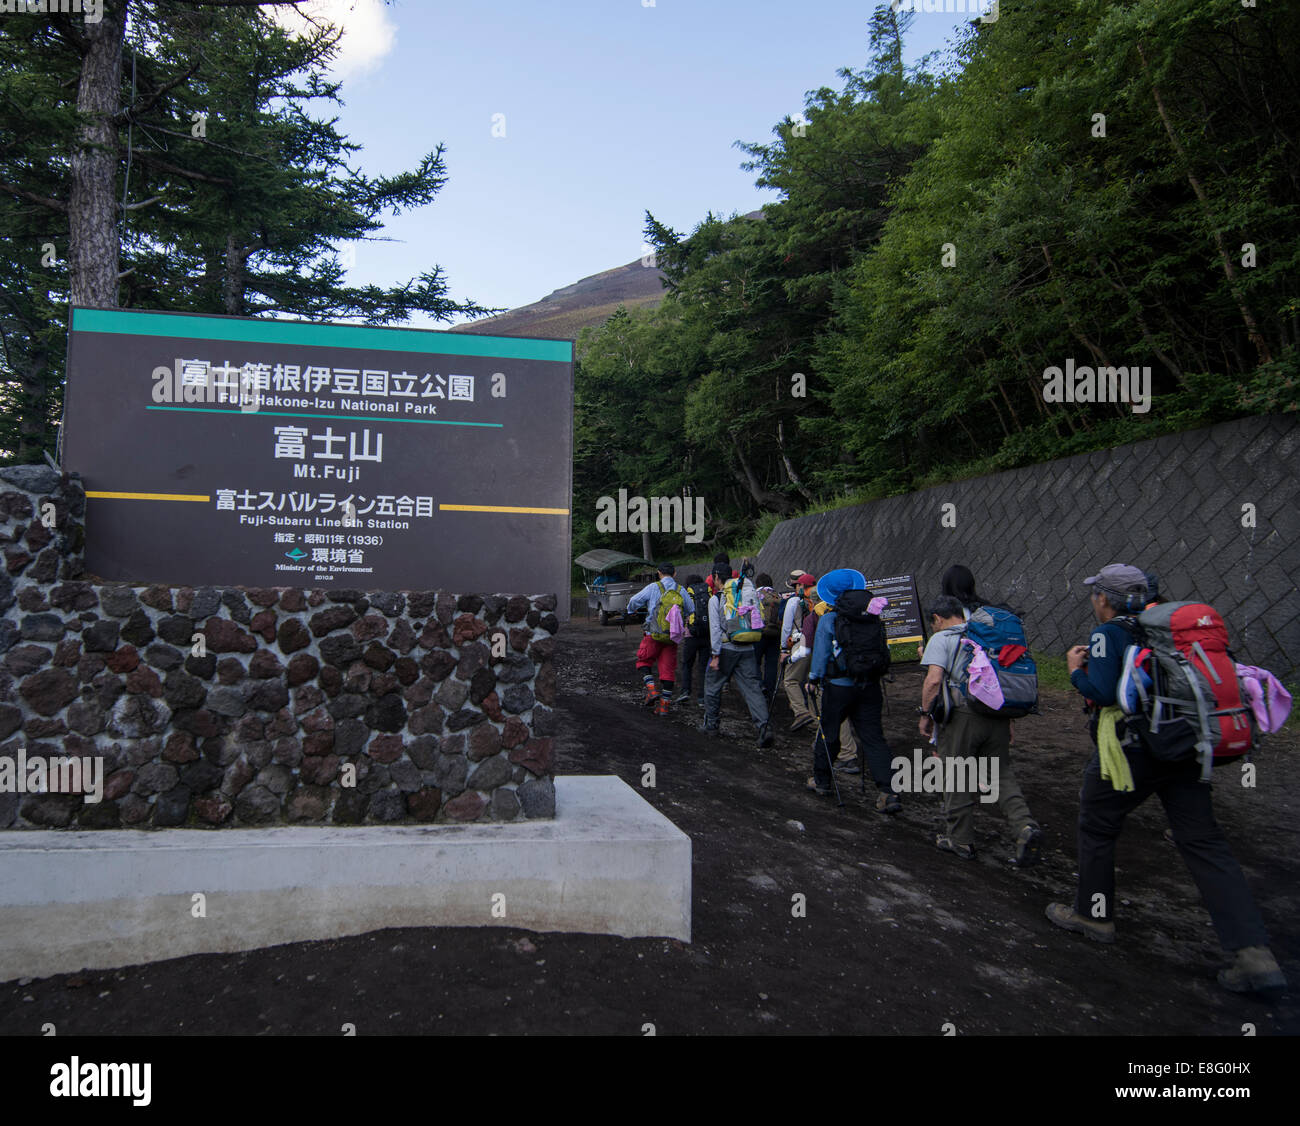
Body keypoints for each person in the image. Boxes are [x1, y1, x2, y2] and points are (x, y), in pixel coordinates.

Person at [1045, 564, 1287, 1000]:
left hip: (1133, 749)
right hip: (1188, 744)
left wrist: (1075, 669)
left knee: (1097, 825)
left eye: (1095, 594)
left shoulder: (1108, 634)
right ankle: (1253, 953)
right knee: (1204, 841)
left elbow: (1101, 693)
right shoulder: (1174, 632)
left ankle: (1093, 915)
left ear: (1105, 598)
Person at [919, 595, 1042, 865]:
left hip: (963, 716)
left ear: (937, 619)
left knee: (957, 774)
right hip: (997, 713)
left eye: (933, 624)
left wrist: (926, 715)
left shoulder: (941, 639)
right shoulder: (985, 636)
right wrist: (1008, 722)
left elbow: (933, 680)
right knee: (1000, 774)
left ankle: (960, 840)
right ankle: (1024, 825)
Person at [805, 568, 897, 810]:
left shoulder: (829, 619)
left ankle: (822, 780)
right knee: (873, 737)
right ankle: (887, 792)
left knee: (830, 732)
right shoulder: (872, 616)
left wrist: (813, 679)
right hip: (869, 685)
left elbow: (822, 655)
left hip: (838, 687)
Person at [701, 553, 774, 747]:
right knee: (753, 689)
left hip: (725, 648)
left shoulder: (716, 599)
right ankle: (764, 728)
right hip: (748, 647)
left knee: (712, 686)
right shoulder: (743, 592)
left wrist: (715, 655)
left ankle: (712, 725)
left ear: (716, 577)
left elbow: (715, 629)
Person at [625, 562, 694, 717]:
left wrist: (630, 610)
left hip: (652, 635)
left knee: (643, 661)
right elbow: (691, 609)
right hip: (672, 637)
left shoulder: (653, 587)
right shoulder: (681, 590)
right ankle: (663, 707)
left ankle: (651, 690)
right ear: (675, 573)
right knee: (668, 671)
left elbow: (634, 601)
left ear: (659, 573)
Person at [780, 573, 819, 731]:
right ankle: (816, 718)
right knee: (812, 682)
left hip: (800, 643)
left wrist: (783, 649)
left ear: (799, 586)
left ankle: (801, 712)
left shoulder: (794, 601)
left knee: (790, 680)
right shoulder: (818, 600)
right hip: (817, 645)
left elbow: (786, 627)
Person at [675, 573, 711, 707]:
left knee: (687, 665)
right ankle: (702, 698)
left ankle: (685, 692)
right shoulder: (708, 593)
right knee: (702, 667)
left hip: (691, 636)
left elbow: (681, 613)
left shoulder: (687, 594)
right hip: (706, 635)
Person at [753, 572, 783, 704]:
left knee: (755, 662)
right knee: (771, 664)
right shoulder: (779, 596)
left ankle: (759, 687)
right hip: (776, 635)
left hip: (759, 633)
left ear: (757, 584)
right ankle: (769, 691)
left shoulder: (755, 595)